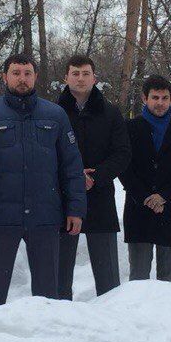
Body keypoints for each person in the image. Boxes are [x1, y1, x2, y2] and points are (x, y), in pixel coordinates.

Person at [0, 52, 86, 311]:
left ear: (35, 77)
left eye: (27, 73)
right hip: (0, 219)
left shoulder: (55, 115)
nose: (22, 79)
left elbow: (72, 166)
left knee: (48, 295)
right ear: (5, 76)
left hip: (45, 216)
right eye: (16, 73)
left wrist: (75, 208)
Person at [55, 55, 130, 299]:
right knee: (59, 274)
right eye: (75, 73)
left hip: (100, 196)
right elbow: (44, 154)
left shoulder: (110, 112)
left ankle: (111, 324)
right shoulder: (53, 113)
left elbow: (122, 153)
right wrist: (73, 176)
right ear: (65, 78)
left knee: (108, 276)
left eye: (85, 73)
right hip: (63, 199)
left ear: (94, 78)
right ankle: (59, 320)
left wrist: (96, 177)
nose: (80, 78)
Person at [119, 75, 171, 282]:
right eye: (155, 97)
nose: (160, 103)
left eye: (165, 98)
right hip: (139, 209)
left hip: (170, 210)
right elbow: (124, 167)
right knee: (138, 278)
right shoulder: (129, 128)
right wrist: (146, 196)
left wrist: (164, 196)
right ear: (144, 98)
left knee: (168, 279)